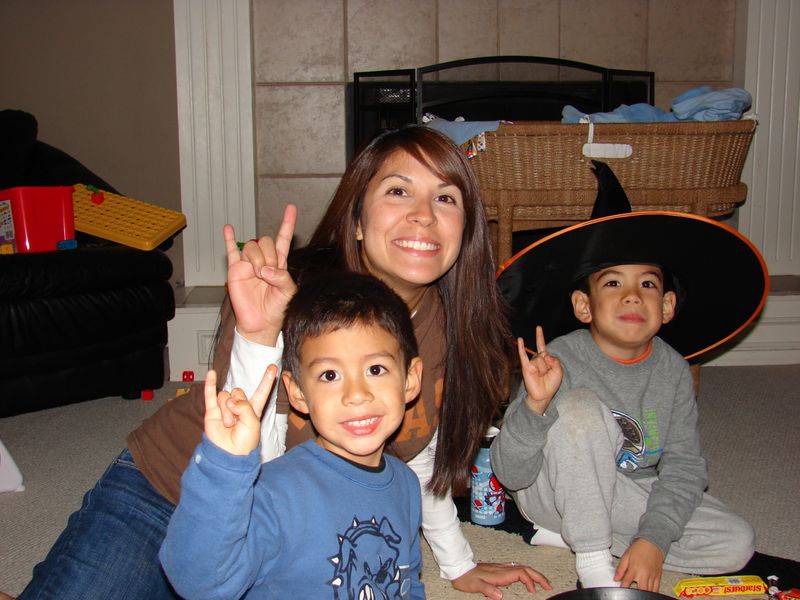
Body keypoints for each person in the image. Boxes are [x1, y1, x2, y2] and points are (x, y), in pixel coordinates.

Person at [14, 125, 549, 600]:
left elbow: (416, 461)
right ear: (357, 221)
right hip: (172, 490)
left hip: (296, 537)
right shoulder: (286, 295)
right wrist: (260, 334)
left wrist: (458, 563)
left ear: (465, 229)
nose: (424, 215)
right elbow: (256, 461)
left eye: (446, 197)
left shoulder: (456, 331)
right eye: (398, 190)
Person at [491, 178, 768, 592]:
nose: (633, 296)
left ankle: (583, 537)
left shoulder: (673, 371)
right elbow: (512, 474)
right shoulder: (559, 361)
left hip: (624, 492)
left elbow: (684, 467)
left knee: (736, 541)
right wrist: (534, 406)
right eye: (613, 283)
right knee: (579, 408)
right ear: (584, 306)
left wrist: (653, 540)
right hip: (550, 491)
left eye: (648, 284)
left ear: (667, 306)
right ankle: (593, 561)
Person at [160, 272, 426, 599]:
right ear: (298, 393)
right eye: (330, 375)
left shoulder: (406, 485)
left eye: (375, 369)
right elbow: (200, 583)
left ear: (410, 380)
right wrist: (222, 467)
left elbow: (407, 581)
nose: (356, 394)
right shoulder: (277, 492)